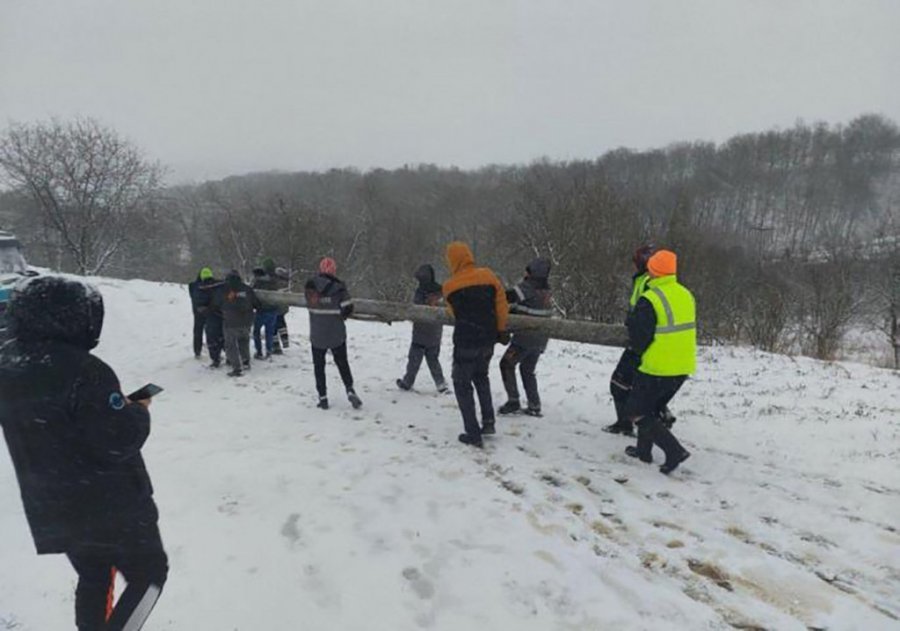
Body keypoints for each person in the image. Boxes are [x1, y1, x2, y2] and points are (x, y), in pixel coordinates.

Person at [0, 276, 168, 631]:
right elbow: (119, 439)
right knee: (150, 575)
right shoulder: (85, 370)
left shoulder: (9, 366)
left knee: (94, 576)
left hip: (54, 507)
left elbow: (54, 423)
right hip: (109, 506)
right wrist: (137, 409)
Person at [623, 250, 694, 474]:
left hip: (657, 366)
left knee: (635, 411)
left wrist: (631, 323)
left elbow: (639, 337)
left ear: (652, 270)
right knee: (651, 410)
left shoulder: (651, 299)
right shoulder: (686, 294)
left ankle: (674, 451)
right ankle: (643, 452)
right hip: (682, 366)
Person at [442, 242, 509, 448]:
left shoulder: (449, 287)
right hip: (488, 338)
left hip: (465, 339)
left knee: (462, 383)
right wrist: (500, 329)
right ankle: (488, 422)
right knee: (481, 377)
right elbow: (501, 305)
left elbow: (454, 313)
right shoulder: (488, 276)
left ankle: (472, 433)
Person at [498, 258, 553, 417]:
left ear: (532, 273)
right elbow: (525, 306)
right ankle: (534, 405)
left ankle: (513, 400)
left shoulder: (528, 287)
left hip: (524, 338)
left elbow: (507, 297)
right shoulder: (546, 290)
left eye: (527, 270)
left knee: (506, 364)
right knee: (527, 370)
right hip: (540, 339)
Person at [304, 257, 362, 409]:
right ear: (334, 270)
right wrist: (341, 315)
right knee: (342, 363)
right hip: (336, 332)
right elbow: (348, 307)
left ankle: (323, 398)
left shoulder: (310, 288)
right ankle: (349, 389)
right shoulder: (339, 288)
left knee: (319, 367)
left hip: (317, 333)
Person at [396, 264, 448, 393]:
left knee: (419, 359)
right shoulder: (439, 291)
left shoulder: (429, 292)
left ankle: (409, 382)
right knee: (427, 359)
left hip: (425, 331)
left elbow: (418, 308)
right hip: (429, 331)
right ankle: (439, 383)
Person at [214, 269, 261, 377]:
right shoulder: (247, 289)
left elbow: (216, 304)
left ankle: (237, 368)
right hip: (247, 321)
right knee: (244, 341)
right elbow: (257, 304)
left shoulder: (223, 289)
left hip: (230, 322)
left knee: (230, 345)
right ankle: (245, 362)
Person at [250, 263, 281, 360]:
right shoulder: (273, 282)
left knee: (256, 332)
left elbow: (252, 297)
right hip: (273, 311)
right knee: (269, 333)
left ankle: (259, 352)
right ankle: (269, 351)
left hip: (261, 311)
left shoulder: (257, 283)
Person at [195, 271, 225, 368]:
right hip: (224, 315)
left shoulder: (201, 288)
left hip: (211, 317)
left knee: (212, 339)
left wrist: (206, 312)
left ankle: (216, 359)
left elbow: (199, 305)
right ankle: (230, 357)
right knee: (224, 336)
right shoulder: (222, 284)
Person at [188, 267, 215, 358]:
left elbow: (192, 295)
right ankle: (212, 350)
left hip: (197, 312)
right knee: (210, 332)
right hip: (210, 311)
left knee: (197, 332)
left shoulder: (192, 285)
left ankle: (197, 351)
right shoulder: (213, 286)